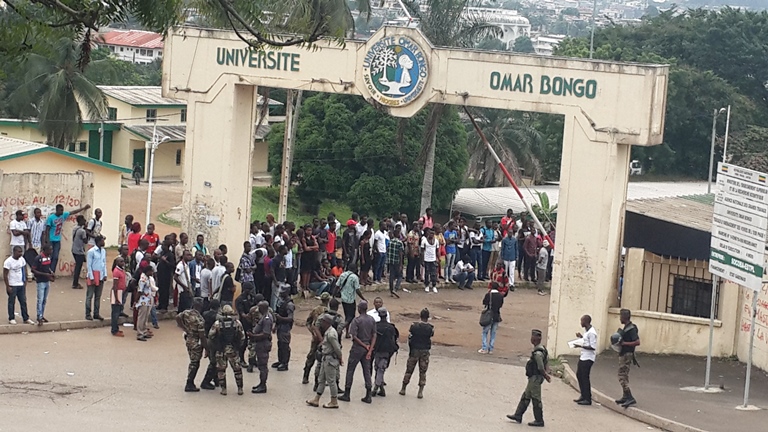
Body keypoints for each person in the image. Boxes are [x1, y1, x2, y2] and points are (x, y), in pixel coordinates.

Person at [507, 329, 551, 427]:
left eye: (532, 337)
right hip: (533, 378)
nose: (531, 339)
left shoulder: (538, 353)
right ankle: (518, 415)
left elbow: (540, 367)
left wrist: (546, 375)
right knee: (526, 396)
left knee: (536, 398)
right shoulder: (542, 349)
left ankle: (539, 420)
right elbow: (547, 362)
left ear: (535, 339)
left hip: (535, 378)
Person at [338, 300, 377, 404]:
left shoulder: (356, 320)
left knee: (350, 370)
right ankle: (368, 394)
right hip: (367, 348)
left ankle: (347, 393)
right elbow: (374, 335)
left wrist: (363, 345)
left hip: (357, 348)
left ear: (359, 309)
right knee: (367, 371)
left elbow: (354, 336)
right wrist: (370, 349)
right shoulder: (371, 320)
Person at [306, 314, 344, 409]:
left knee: (331, 381)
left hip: (330, 359)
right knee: (321, 379)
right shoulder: (328, 331)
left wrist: (340, 358)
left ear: (326, 322)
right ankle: (316, 399)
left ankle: (334, 401)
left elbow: (337, 348)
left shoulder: (331, 334)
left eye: (323, 321)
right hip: (325, 358)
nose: (321, 323)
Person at [208, 304, 245, 395]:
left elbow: (211, 335)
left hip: (221, 349)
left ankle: (223, 389)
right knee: (237, 369)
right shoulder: (237, 322)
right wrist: (237, 346)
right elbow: (242, 336)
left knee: (221, 370)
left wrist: (215, 345)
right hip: (233, 349)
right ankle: (240, 388)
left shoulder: (217, 323)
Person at [44, 203, 90, 273]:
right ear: (57, 210)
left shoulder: (63, 215)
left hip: (57, 240)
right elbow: (47, 229)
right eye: (61, 210)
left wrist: (83, 208)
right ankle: (47, 271)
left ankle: (52, 272)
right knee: (49, 257)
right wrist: (46, 240)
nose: (62, 212)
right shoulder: (51, 218)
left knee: (55, 257)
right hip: (51, 240)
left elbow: (73, 212)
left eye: (62, 210)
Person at [176, 297, 208, 392]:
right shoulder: (200, 320)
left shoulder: (186, 313)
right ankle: (189, 383)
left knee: (192, 360)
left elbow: (177, 317)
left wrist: (184, 328)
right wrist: (206, 348)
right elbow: (202, 336)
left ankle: (190, 382)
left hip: (188, 338)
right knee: (195, 363)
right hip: (196, 341)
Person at [400, 308, 433, 399]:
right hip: (424, 351)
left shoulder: (414, 326)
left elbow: (410, 337)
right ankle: (420, 391)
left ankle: (403, 388)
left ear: (420, 316)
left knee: (409, 370)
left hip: (414, 350)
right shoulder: (430, 328)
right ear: (428, 317)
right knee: (423, 372)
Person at [303, 293, 331, 384]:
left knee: (311, 356)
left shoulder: (315, 309)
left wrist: (313, 332)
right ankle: (320, 380)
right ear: (328, 300)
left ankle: (305, 376)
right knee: (323, 359)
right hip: (324, 337)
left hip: (315, 337)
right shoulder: (328, 311)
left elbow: (308, 322)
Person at [615, 308, 640, 408]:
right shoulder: (626, 327)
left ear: (624, 317)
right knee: (623, 375)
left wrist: (624, 343)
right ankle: (625, 396)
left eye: (621, 316)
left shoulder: (631, 329)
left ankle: (629, 397)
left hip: (627, 354)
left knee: (622, 375)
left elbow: (637, 342)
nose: (620, 318)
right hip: (624, 353)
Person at [372, 307, 399, 397]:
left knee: (378, 368)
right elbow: (394, 340)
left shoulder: (375, 326)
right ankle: (380, 389)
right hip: (386, 352)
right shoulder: (391, 327)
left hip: (377, 350)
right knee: (381, 369)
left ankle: (376, 388)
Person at [4, 246, 34, 325]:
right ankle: (11, 318)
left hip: (21, 284)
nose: (20, 253)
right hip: (12, 284)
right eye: (19, 252)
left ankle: (26, 318)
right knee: (11, 302)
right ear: (14, 252)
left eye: (21, 252)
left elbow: (24, 269)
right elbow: (5, 274)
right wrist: (7, 286)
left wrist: (25, 279)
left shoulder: (22, 259)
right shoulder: (8, 262)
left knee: (23, 301)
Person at [249, 300, 274, 394]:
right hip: (260, 343)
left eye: (259, 307)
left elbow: (265, 334)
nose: (258, 309)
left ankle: (263, 385)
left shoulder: (267, 319)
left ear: (263, 308)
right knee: (261, 365)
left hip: (263, 344)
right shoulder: (264, 316)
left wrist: (253, 336)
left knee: (263, 366)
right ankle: (261, 383)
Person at [337, 263, 366, 338]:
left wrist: (334, 295)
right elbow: (357, 290)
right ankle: (342, 327)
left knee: (347, 316)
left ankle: (347, 333)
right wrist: (363, 298)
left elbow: (337, 285)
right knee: (351, 316)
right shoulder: (354, 277)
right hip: (350, 299)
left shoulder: (343, 275)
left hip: (343, 298)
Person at [574, 314, 597, 406]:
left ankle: (587, 398)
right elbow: (586, 341)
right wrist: (581, 337)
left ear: (586, 322)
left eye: (582, 321)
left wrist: (580, 345)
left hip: (588, 358)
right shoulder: (587, 331)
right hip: (583, 356)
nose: (581, 323)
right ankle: (583, 395)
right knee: (579, 375)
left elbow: (593, 347)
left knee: (584, 377)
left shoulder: (592, 333)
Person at [200, 299, 221, 390]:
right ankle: (206, 381)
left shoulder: (204, 314)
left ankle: (216, 379)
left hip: (205, 338)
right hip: (214, 340)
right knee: (214, 361)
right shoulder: (217, 317)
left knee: (213, 360)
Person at [273, 287, 295, 371]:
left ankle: (285, 363)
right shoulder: (281, 301)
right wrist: (275, 325)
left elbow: (290, 318)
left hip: (285, 327)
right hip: (280, 325)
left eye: (282, 292)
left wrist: (280, 318)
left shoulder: (289, 304)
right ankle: (280, 361)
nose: (280, 293)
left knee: (285, 345)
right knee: (280, 344)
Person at [85, 236, 107, 321]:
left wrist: (105, 274)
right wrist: (91, 277)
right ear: (98, 241)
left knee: (98, 296)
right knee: (89, 296)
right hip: (93, 274)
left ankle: (96, 313)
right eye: (102, 241)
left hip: (100, 275)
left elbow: (104, 263)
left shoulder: (103, 251)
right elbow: (89, 265)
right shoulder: (91, 252)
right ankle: (88, 313)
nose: (104, 242)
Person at [479, 283, 504, 354]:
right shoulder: (500, 296)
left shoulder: (488, 295)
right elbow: (500, 305)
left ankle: (484, 348)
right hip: (496, 315)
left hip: (489, 315)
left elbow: (484, 302)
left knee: (485, 332)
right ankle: (491, 349)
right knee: (493, 333)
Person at [136, 266, 157, 341]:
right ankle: (140, 333)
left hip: (148, 299)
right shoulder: (143, 279)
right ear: (147, 271)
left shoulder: (148, 278)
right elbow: (139, 291)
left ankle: (144, 331)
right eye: (151, 271)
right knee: (141, 317)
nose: (152, 272)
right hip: (143, 300)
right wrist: (136, 301)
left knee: (146, 316)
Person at [386, 225, 405, 298]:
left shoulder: (390, 242)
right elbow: (400, 254)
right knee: (400, 276)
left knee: (391, 276)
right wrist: (401, 264)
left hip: (391, 261)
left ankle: (391, 291)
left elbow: (388, 250)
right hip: (397, 261)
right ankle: (396, 288)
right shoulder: (399, 243)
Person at [110, 256, 126, 336]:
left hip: (120, 292)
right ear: (117, 263)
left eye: (123, 261)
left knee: (117, 311)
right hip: (117, 292)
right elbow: (115, 286)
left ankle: (116, 328)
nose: (123, 263)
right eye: (121, 261)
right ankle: (114, 330)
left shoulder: (121, 270)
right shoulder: (116, 271)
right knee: (115, 313)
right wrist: (116, 298)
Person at [71, 216, 88, 289]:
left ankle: (75, 282)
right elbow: (85, 241)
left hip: (74, 249)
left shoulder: (75, 228)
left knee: (77, 267)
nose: (85, 221)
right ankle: (75, 283)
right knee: (78, 267)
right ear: (81, 221)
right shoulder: (82, 231)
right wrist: (86, 229)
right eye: (84, 220)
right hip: (79, 251)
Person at [421, 228, 440, 294]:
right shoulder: (424, 241)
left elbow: (437, 250)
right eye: (430, 233)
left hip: (433, 259)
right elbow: (422, 251)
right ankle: (427, 285)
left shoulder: (436, 241)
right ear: (428, 233)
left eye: (433, 233)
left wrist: (438, 258)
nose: (431, 235)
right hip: (426, 259)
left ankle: (434, 286)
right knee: (427, 273)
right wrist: (422, 260)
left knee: (434, 273)